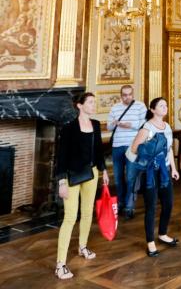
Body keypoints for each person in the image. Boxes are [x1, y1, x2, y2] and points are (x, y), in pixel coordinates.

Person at [55, 92, 109, 280]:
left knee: (87, 213)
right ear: (80, 105)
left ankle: (82, 246)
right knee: (70, 217)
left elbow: (99, 151)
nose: (95, 105)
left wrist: (103, 171)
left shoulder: (94, 124)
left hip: (92, 173)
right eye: (91, 102)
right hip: (72, 176)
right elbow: (61, 157)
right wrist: (61, 181)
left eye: (95, 101)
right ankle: (60, 264)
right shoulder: (69, 128)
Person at [130, 97, 180, 257]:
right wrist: (151, 151)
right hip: (150, 171)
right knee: (151, 207)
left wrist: (174, 168)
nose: (165, 107)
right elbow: (134, 148)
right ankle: (150, 242)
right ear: (152, 109)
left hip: (165, 170)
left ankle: (163, 233)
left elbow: (170, 149)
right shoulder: (147, 128)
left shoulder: (167, 126)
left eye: (166, 105)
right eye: (161, 105)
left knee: (168, 203)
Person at [107, 85, 147, 219]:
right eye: (124, 95)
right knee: (118, 178)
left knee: (130, 177)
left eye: (129, 94)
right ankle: (120, 203)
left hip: (132, 146)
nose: (127, 97)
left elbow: (144, 125)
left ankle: (130, 206)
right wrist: (116, 123)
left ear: (133, 94)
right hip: (117, 145)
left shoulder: (140, 106)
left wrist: (130, 125)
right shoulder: (115, 108)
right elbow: (108, 126)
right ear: (120, 95)